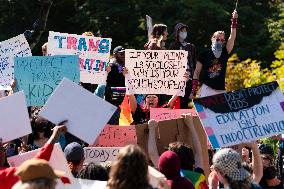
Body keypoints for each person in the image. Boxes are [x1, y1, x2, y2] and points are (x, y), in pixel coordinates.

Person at [0, 123, 69, 189]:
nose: (4, 152)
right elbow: (34, 167)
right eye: (2, 149)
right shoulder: (3, 175)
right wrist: (53, 138)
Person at [191, 10, 238, 98]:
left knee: (221, 112)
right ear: (212, 39)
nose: (219, 41)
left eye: (222, 40)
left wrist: (234, 20)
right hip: (207, 89)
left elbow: (232, 37)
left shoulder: (225, 52)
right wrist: (193, 89)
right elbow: (196, 72)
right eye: (217, 39)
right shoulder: (204, 54)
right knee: (203, 112)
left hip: (220, 90)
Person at [169, 23, 197, 108]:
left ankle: (184, 119)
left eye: (185, 31)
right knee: (177, 101)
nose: (184, 33)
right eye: (181, 31)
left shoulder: (191, 46)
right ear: (177, 32)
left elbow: (194, 63)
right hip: (177, 80)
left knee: (185, 102)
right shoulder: (173, 46)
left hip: (189, 79)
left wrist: (194, 79)